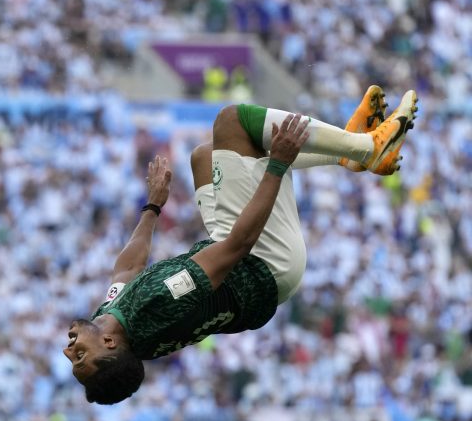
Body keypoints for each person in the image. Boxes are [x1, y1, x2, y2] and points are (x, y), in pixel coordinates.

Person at [63, 86, 419, 404]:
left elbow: (126, 270)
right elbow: (238, 244)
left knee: (206, 156)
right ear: (109, 345)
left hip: (240, 268)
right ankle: (366, 148)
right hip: (264, 261)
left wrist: (153, 207)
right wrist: (277, 166)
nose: (69, 350)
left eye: (72, 357)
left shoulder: (109, 324)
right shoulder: (156, 304)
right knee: (233, 123)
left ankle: (343, 154)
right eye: (80, 356)